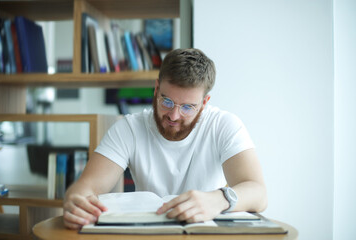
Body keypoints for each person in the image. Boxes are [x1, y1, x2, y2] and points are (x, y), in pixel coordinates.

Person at [63, 48, 267, 229]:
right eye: (167, 101)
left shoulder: (224, 125)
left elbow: (259, 193)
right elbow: (86, 187)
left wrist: (218, 199)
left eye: (188, 107)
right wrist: (76, 201)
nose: (174, 115)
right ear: (156, 89)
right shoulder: (129, 128)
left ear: (204, 102)